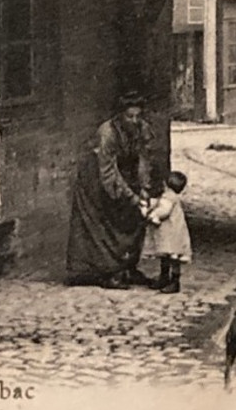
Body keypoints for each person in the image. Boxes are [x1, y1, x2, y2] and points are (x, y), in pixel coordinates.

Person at [65, 91, 154, 289]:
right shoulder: (107, 133)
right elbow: (108, 172)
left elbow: (144, 160)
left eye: (138, 116)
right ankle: (108, 272)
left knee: (135, 218)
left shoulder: (143, 129)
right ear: (120, 115)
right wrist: (131, 197)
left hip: (125, 173)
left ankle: (129, 267)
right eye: (129, 116)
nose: (134, 120)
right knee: (104, 224)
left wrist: (144, 188)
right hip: (96, 178)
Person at [142, 171, 191, 294]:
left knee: (173, 256)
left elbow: (164, 210)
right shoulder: (169, 196)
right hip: (168, 231)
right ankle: (164, 277)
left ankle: (174, 281)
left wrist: (153, 214)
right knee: (166, 255)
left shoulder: (169, 197)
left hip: (171, 232)